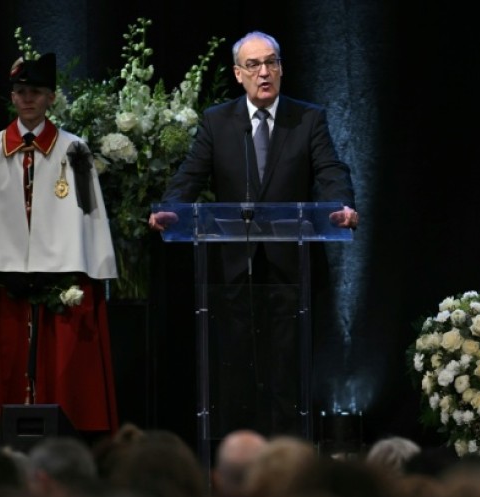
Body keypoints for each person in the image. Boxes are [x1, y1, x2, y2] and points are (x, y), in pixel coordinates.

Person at [148, 31, 358, 438]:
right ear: (238, 74)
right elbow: (191, 174)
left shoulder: (307, 118)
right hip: (233, 272)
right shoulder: (218, 121)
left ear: (281, 67)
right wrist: (170, 208)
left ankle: (288, 460)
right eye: (254, 65)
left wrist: (340, 205)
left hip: (289, 270)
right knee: (235, 373)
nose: (265, 72)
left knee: (286, 372)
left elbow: (331, 171)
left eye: (272, 62)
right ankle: (237, 461)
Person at [0, 53, 119, 438]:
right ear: (12, 98)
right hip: (2, 281)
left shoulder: (74, 149)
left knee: (59, 364)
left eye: (36, 92)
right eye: (21, 92)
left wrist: (77, 260)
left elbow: (89, 215)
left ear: (51, 98)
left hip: (58, 276)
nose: (28, 99)